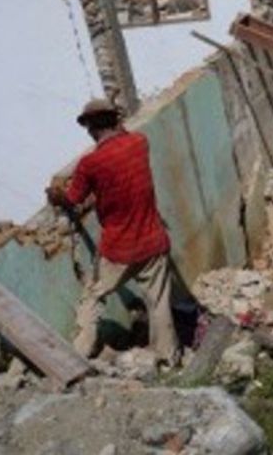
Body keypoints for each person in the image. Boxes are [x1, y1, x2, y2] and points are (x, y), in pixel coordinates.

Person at [47, 98, 177, 361]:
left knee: (93, 298)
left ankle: (78, 356)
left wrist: (54, 195)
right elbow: (122, 149)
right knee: (159, 303)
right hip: (153, 241)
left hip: (119, 249)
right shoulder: (139, 143)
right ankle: (169, 356)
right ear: (116, 121)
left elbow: (73, 200)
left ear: (91, 128)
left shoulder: (90, 165)